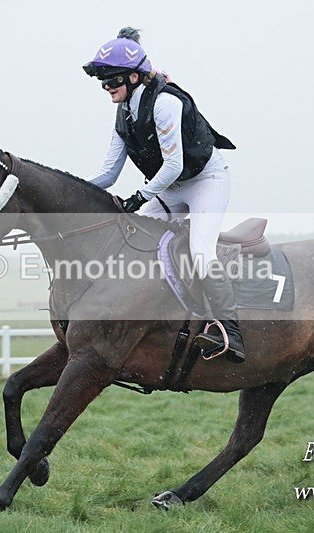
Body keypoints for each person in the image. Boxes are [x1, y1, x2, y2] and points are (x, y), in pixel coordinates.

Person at [83, 27, 245, 363]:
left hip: (205, 182)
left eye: (112, 80)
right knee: (130, 240)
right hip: (169, 188)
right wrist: (74, 189)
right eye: (103, 81)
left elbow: (173, 165)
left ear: (133, 76)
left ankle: (231, 332)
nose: (106, 87)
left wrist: (138, 198)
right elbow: (109, 174)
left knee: (201, 253)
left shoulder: (165, 103)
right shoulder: (124, 113)